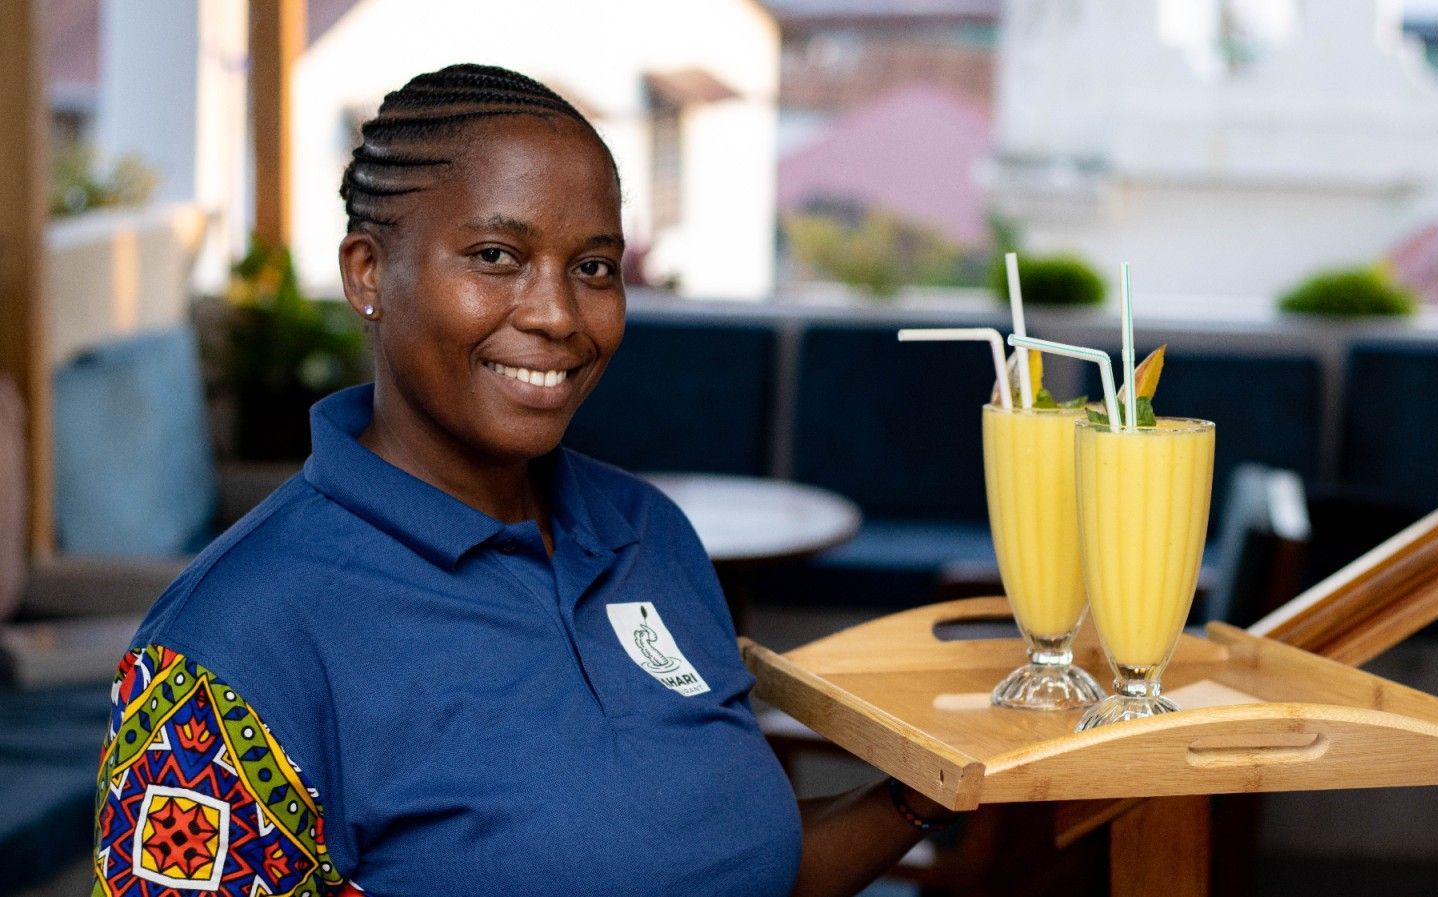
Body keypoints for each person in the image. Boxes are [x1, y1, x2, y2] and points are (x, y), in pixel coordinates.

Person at [91, 64, 958, 897]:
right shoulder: (232, 640)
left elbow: (733, 866)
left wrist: (931, 781)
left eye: (593, 267)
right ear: (368, 274)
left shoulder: (649, 534)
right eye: (498, 255)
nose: (557, 315)